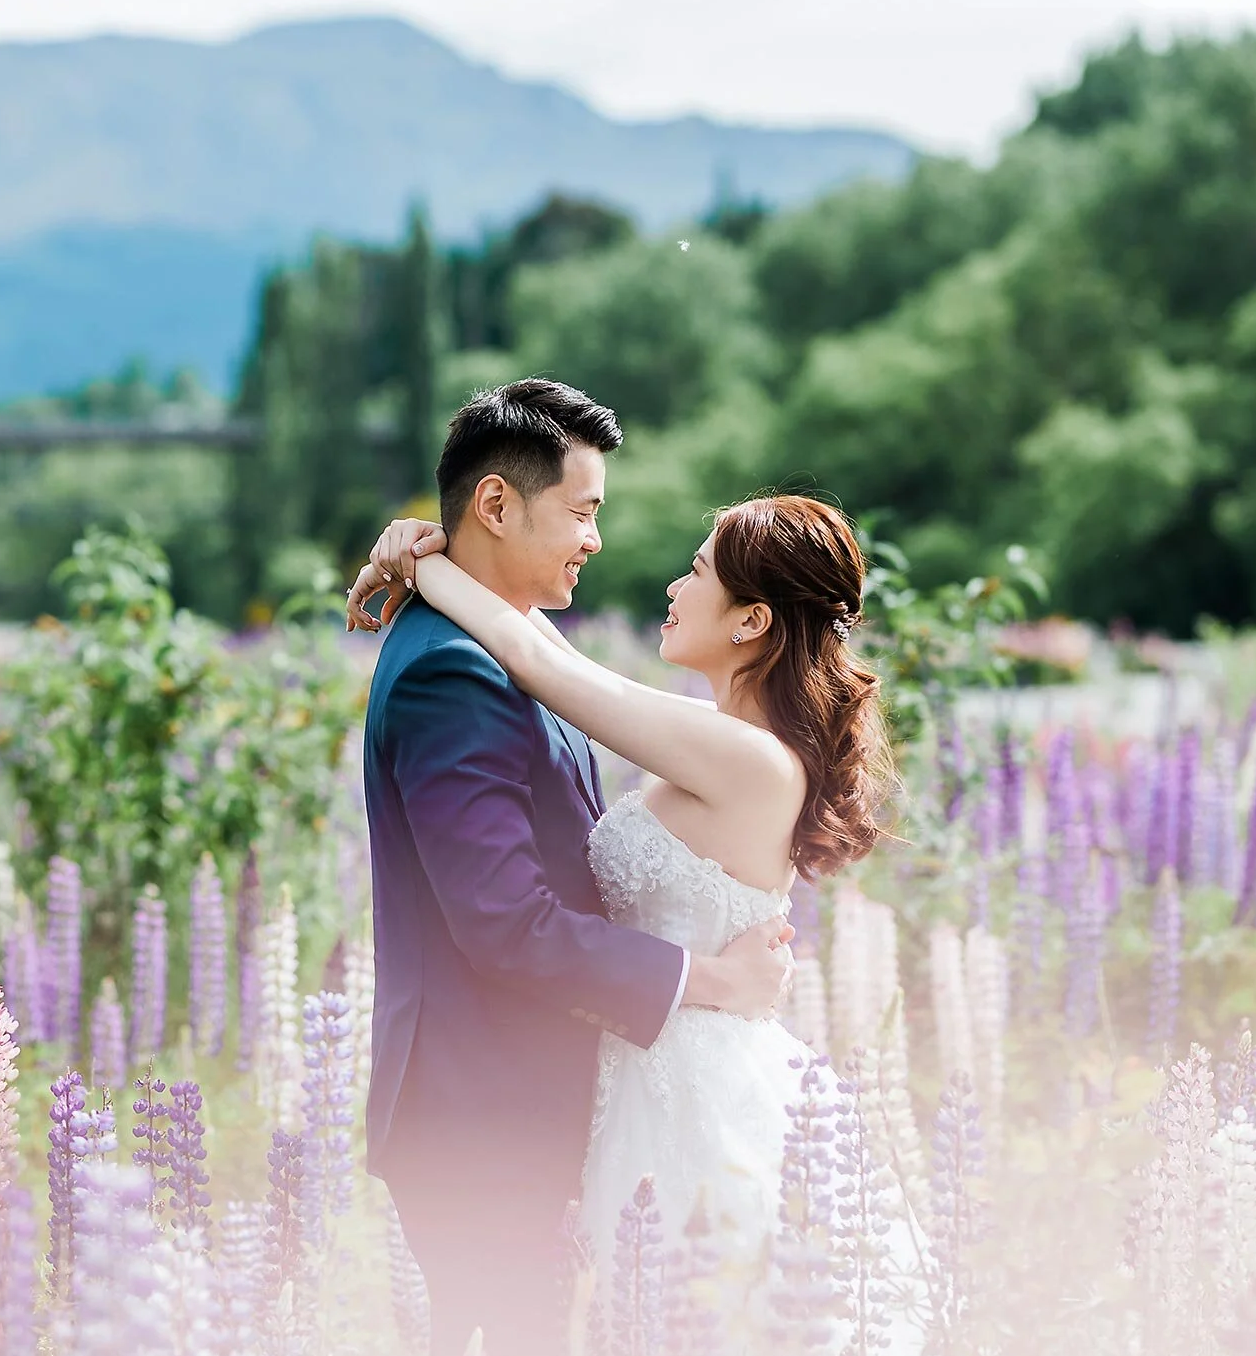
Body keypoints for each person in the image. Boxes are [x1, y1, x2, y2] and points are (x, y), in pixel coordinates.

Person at [348, 378, 797, 1356]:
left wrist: (422, 557)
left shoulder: (498, 652)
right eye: (583, 510)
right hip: (483, 1115)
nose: (598, 540)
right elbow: (504, 919)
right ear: (497, 505)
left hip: (568, 1106)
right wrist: (707, 978)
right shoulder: (453, 672)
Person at [352, 480, 897, 1298]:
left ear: (751, 621)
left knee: (693, 1335)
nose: (674, 589)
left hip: (690, 1090)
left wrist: (427, 562)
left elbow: (539, 663)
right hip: (640, 1075)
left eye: (698, 571)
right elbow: (551, 658)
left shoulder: (749, 758)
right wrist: (425, 542)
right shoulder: (725, 741)